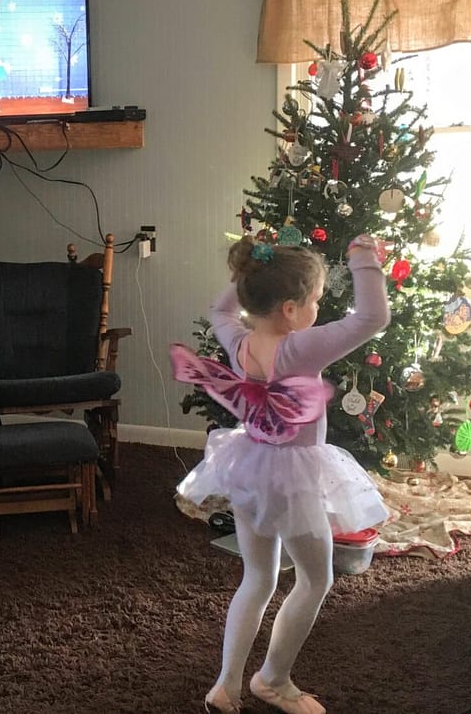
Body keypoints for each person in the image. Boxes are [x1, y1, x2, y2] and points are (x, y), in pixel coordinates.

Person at [171, 234, 391, 714]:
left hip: (248, 469)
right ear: (290, 309)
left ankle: (226, 686)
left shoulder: (241, 341)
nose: (318, 307)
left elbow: (220, 310)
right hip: (291, 481)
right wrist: (363, 259)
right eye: (314, 300)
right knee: (315, 578)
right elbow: (372, 318)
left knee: (258, 576)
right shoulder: (299, 350)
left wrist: (244, 273)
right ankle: (272, 679)